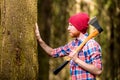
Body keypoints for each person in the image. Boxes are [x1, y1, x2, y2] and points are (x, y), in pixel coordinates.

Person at [35, 12, 102, 80]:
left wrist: (77, 60)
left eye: (71, 25)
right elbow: (53, 52)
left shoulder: (91, 44)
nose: (68, 28)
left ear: (79, 26)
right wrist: (39, 40)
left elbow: (98, 70)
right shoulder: (73, 44)